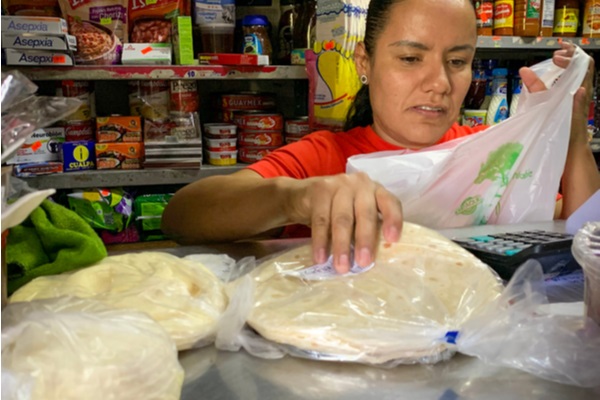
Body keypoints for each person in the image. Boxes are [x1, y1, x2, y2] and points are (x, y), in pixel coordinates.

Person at [163, 0, 600, 273]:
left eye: (458, 61)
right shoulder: (326, 157)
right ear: (365, 63)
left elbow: (587, 242)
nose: (439, 83)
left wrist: (571, 132)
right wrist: (293, 198)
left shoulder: (488, 155)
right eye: (411, 58)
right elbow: (182, 217)